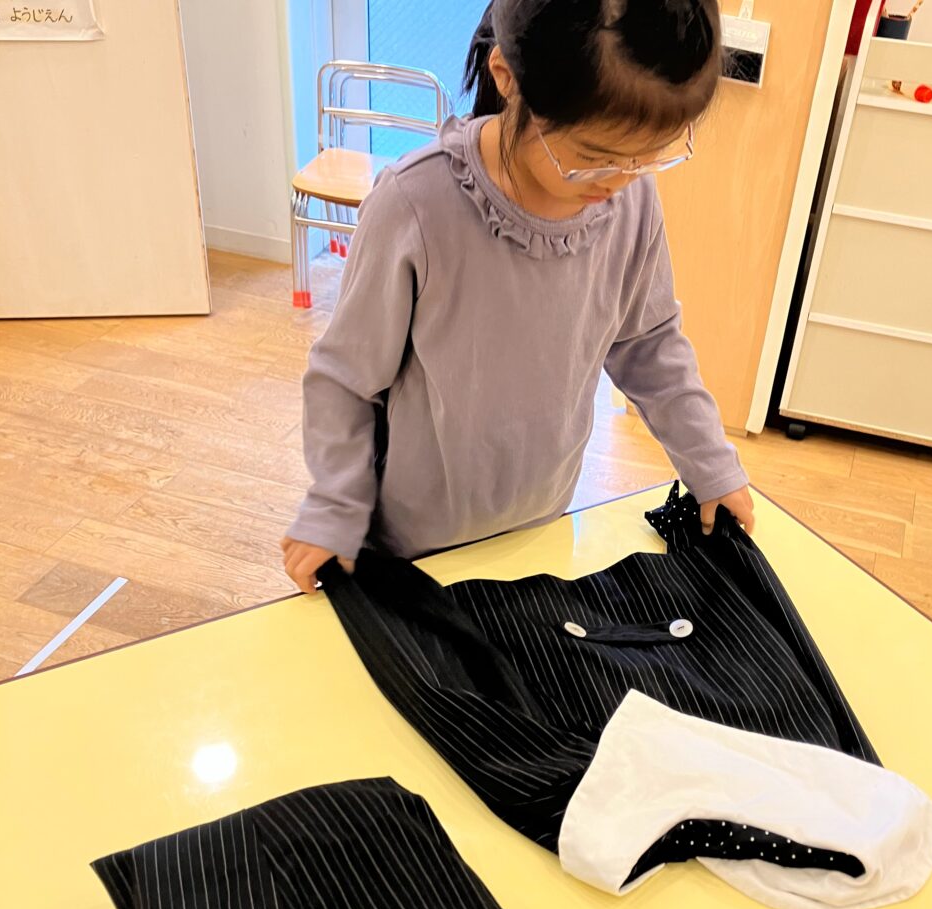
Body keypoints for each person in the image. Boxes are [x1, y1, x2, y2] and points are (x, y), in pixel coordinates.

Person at [283, 0, 754, 594]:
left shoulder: (630, 201)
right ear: (507, 76)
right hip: (413, 549)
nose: (618, 181)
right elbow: (346, 379)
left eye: (647, 157)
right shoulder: (415, 205)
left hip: (542, 528)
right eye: (593, 158)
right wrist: (334, 506)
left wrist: (710, 464)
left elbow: (651, 345)